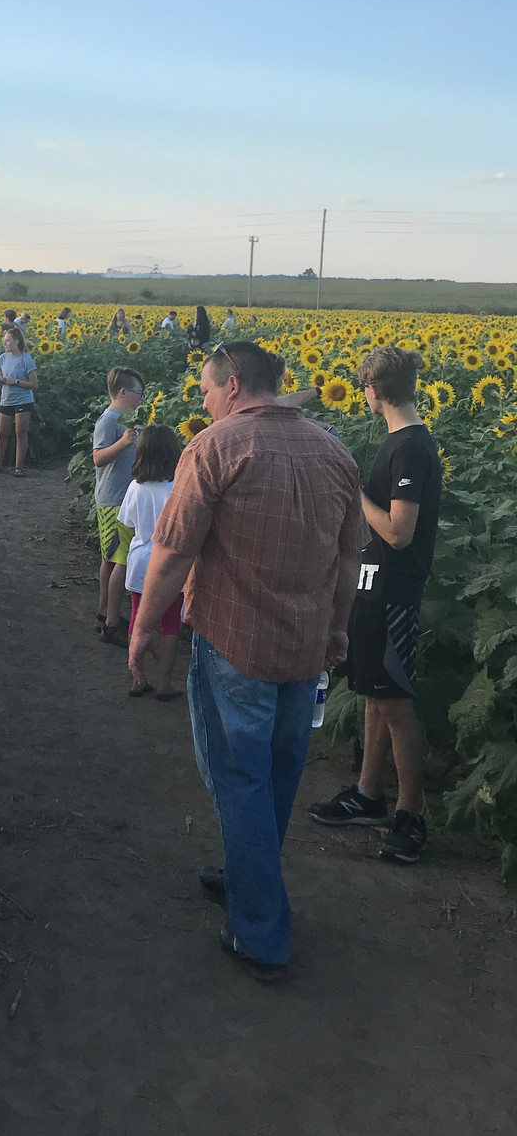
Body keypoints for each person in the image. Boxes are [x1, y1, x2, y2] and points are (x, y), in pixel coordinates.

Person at [129, 341, 364, 981]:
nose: (202, 402)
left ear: (232, 386)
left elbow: (173, 552)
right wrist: (338, 629)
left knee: (238, 775)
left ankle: (260, 933)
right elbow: (349, 560)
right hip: (306, 646)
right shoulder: (334, 451)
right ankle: (244, 873)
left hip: (234, 643)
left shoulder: (216, 447)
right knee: (278, 772)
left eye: (205, 390)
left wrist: (144, 625)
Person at [308, 348, 441, 865]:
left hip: (394, 590)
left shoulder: (409, 448)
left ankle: (410, 815)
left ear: (375, 391)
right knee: (371, 694)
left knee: (395, 702)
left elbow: (399, 532)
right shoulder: (398, 442)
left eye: (363, 388)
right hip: (372, 584)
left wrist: (354, 491)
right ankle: (368, 794)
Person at [118, 425, 184, 700]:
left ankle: (138, 679)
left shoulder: (135, 487)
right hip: (169, 565)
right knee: (170, 623)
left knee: (138, 618)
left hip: (140, 562)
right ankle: (165, 683)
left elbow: (128, 523)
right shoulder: (178, 488)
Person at [93, 366, 145, 644]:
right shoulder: (109, 420)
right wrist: (124, 443)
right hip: (114, 500)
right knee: (120, 560)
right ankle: (112, 623)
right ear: (123, 393)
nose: (141, 399)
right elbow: (98, 458)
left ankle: (104, 612)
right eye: (138, 393)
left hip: (119, 498)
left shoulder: (122, 419)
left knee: (110, 557)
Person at [0, 326, 38, 477]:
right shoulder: (2, 358)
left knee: (20, 433)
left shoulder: (26, 359)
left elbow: (34, 384)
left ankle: (19, 467)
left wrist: (15, 382)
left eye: (7, 340)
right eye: (4, 340)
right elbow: (0, 372)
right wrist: (0, 378)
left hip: (22, 400)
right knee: (2, 433)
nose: (4, 343)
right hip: (6, 399)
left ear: (16, 342)